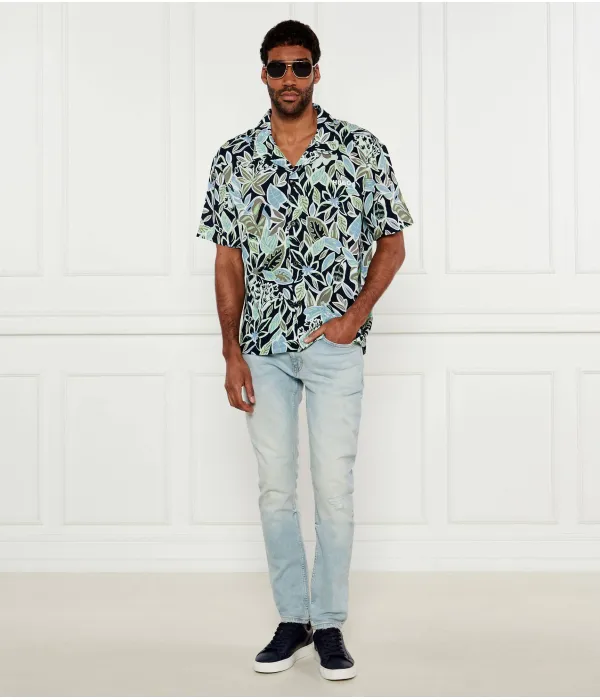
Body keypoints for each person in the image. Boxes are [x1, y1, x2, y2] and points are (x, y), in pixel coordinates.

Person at [196, 19, 413, 681]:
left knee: (334, 489)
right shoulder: (234, 158)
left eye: (299, 66)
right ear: (262, 73)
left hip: (332, 348)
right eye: (277, 67)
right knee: (274, 490)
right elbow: (227, 261)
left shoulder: (360, 149)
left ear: (317, 71)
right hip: (261, 347)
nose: (288, 78)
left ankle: (331, 623)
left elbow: (393, 244)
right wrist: (231, 353)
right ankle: (292, 618)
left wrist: (353, 319)